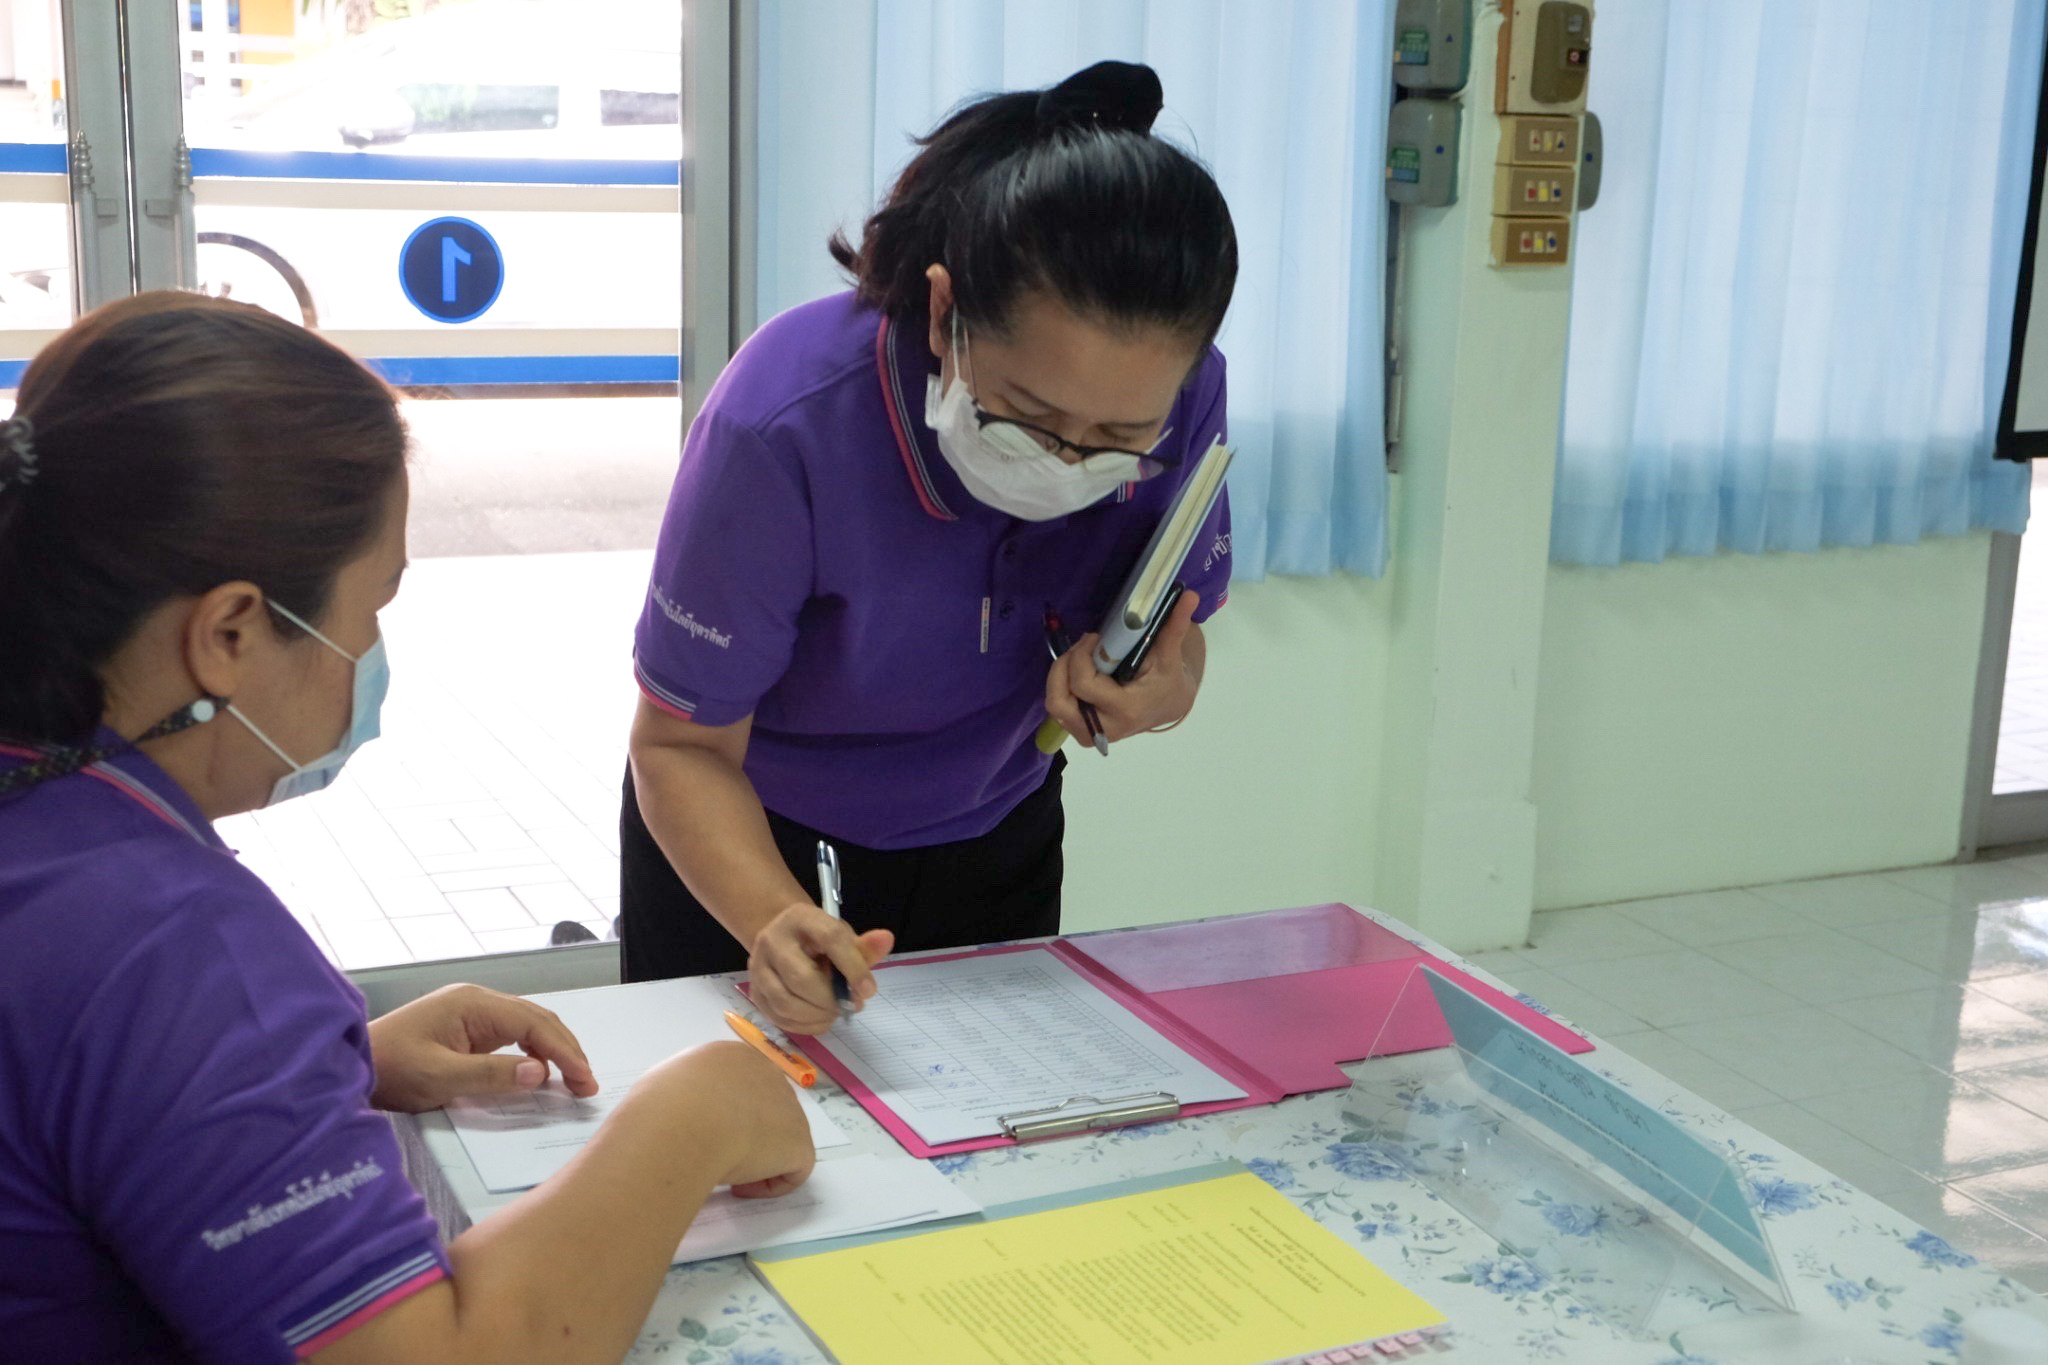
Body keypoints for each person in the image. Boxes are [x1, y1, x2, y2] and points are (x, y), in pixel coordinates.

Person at [0, 293, 814, 1363]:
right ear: (232, 632)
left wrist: (326, 1069)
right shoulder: (171, 946)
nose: (372, 650)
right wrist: (694, 1116)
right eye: (369, 606)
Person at [620, 60, 1240, 1034]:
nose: (1066, 460)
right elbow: (677, 747)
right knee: (737, 1151)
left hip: (1000, 826)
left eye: (1115, 442)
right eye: (1029, 415)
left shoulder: (1181, 395)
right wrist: (774, 921)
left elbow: (1176, 635)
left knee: (984, 1143)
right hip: (753, 843)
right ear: (945, 312)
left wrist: (1164, 688)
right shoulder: (783, 422)